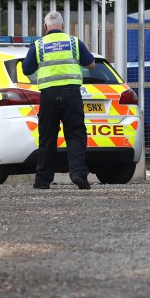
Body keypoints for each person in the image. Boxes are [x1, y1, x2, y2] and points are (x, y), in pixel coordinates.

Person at [22, 11, 95, 190]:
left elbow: (26, 69)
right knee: (76, 134)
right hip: (71, 94)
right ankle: (78, 173)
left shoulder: (38, 45)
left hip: (48, 95)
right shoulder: (73, 42)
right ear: (62, 25)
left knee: (47, 136)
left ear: (45, 27)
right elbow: (91, 64)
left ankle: (42, 180)